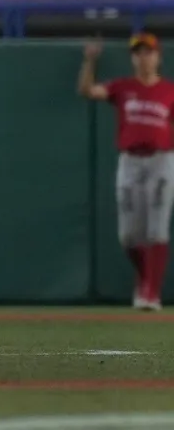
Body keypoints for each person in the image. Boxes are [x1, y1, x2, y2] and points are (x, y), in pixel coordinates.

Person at [79, 31, 174, 310]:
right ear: (133, 58)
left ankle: (151, 294)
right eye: (138, 52)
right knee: (129, 236)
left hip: (161, 159)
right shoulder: (123, 87)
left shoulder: (168, 90)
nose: (144, 57)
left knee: (157, 228)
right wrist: (89, 61)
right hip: (130, 161)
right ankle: (146, 278)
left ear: (158, 56)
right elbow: (88, 90)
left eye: (149, 52)